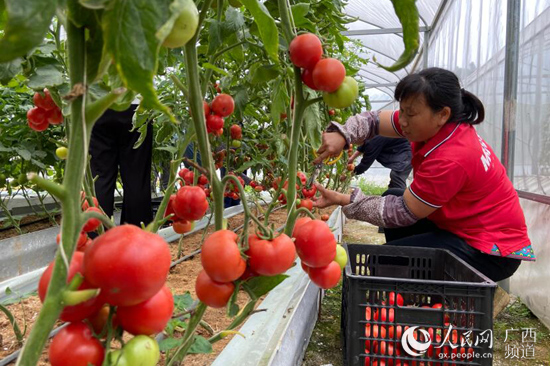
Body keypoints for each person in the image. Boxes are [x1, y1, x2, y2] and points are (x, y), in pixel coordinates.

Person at [312, 67, 534, 282]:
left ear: (442, 114)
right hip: (465, 228)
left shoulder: (451, 158)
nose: (403, 120)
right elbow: (375, 121)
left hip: (491, 251)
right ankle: (416, 288)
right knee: (394, 193)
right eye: (403, 110)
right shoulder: (436, 126)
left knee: (381, 261)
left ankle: (428, 301)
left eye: (411, 113)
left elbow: (400, 212)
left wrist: (344, 200)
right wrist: (344, 133)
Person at [89, 104, 153, 227]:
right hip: (138, 106)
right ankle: (137, 236)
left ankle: (96, 235)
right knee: (137, 177)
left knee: (100, 176)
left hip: (100, 104)